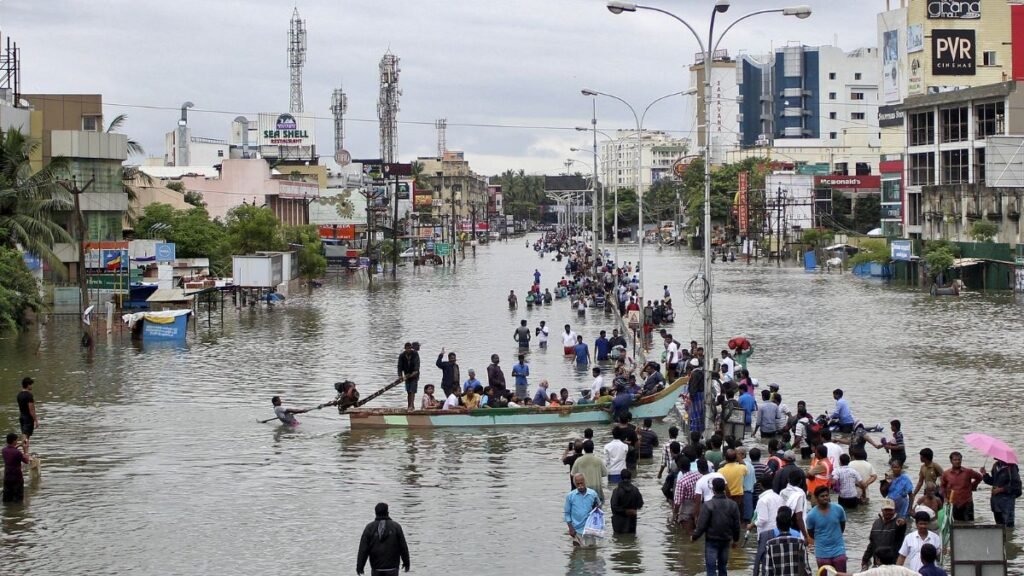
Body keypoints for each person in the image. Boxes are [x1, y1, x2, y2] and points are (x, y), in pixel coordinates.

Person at [691, 477, 741, 576]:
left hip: (711, 541)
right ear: (724, 488)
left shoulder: (708, 505)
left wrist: (694, 537)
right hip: (726, 540)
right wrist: (735, 540)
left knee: (711, 569)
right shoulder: (733, 505)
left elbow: (702, 525)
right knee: (723, 567)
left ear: (713, 489)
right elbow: (736, 525)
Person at [357, 502, 410, 576]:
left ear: (376, 513)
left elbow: (363, 550)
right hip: (392, 568)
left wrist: (360, 566)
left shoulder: (369, 528)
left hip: (376, 569)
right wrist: (406, 563)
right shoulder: (396, 527)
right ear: (387, 512)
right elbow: (403, 547)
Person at [806, 485, 848, 572]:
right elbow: (811, 533)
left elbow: (842, 527)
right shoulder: (811, 515)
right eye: (822, 496)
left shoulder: (839, 509)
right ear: (816, 498)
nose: (825, 498)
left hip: (838, 549)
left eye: (826, 495)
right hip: (821, 552)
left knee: (842, 573)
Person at [760, 506, 812, 576]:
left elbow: (767, 571)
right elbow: (806, 568)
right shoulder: (800, 542)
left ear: (777, 525)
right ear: (790, 524)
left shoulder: (770, 544)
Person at [861, 498, 907, 570]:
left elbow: (902, 528)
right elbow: (872, 544)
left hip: (893, 564)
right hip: (877, 563)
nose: (888, 512)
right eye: (886, 510)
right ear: (882, 510)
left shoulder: (898, 522)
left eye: (890, 510)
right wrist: (865, 560)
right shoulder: (876, 523)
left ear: (894, 510)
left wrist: (903, 523)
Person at [941, 451, 983, 521]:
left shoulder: (968, 472)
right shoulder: (946, 474)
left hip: (967, 502)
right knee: (955, 524)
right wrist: (945, 498)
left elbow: (980, 477)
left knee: (970, 523)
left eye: (959, 459)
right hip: (953, 503)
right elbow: (942, 486)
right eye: (955, 460)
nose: (957, 461)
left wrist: (973, 486)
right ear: (951, 461)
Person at [981, 457, 1021, 528]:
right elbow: (993, 481)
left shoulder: (1012, 467)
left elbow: (1017, 486)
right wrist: (984, 474)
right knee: (998, 527)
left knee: (1008, 527)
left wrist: (1001, 489)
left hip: (1007, 502)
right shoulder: (995, 465)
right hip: (996, 502)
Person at [564, 473, 601, 546]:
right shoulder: (570, 496)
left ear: (585, 482)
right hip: (576, 530)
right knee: (577, 550)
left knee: (591, 550)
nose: (580, 486)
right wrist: (570, 528)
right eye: (578, 484)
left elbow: (599, 508)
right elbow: (567, 513)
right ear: (575, 484)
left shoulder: (593, 494)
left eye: (582, 483)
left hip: (590, 529)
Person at [610, 468, 644, 534]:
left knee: (618, 539)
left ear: (621, 477)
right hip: (631, 523)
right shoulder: (635, 490)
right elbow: (640, 504)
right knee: (632, 538)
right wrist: (632, 510)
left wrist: (625, 511)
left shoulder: (617, 491)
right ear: (631, 477)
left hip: (618, 524)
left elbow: (613, 507)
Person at [2, 432, 30, 504]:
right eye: (17, 440)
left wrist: (19, 445)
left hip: (7, 478)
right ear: (14, 441)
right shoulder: (17, 453)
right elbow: (27, 461)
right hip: (17, 478)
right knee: (18, 501)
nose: (17, 441)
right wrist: (26, 449)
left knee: (7, 500)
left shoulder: (4, 450)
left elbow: (11, 450)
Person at [16, 377, 37, 454]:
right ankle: (25, 454)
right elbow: (31, 410)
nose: (31, 386)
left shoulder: (19, 395)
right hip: (28, 418)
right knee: (26, 436)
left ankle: (23, 451)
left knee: (25, 435)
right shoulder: (29, 395)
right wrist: (36, 420)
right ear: (28, 385)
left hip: (22, 416)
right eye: (31, 384)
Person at [398, 343, 420, 410]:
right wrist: (400, 375)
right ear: (405, 348)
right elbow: (399, 366)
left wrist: (415, 371)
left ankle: (412, 406)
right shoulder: (402, 355)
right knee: (408, 391)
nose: (408, 350)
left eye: (410, 348)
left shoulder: (415, 354)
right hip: (407, 375)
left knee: (412, 390)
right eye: (407, 348)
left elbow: (417, 364)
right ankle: (409, 406)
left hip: (414, 375)